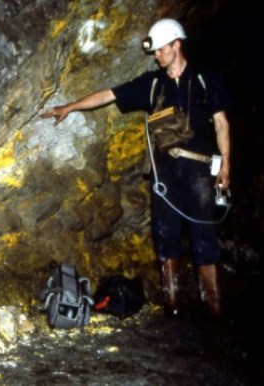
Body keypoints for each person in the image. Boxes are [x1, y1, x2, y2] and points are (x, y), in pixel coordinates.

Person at [40, 18, 231, 318]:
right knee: (166, 239)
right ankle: (172, 309)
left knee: (204, 239)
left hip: (199, 173)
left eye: (160, 50)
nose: (155, 55)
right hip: (165, 175)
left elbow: (221, 123)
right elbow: (109, 94)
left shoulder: (207, 80)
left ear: (176, 45)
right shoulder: (153, 84)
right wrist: (70, 106)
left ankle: (215, 311)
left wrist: (226, 166)